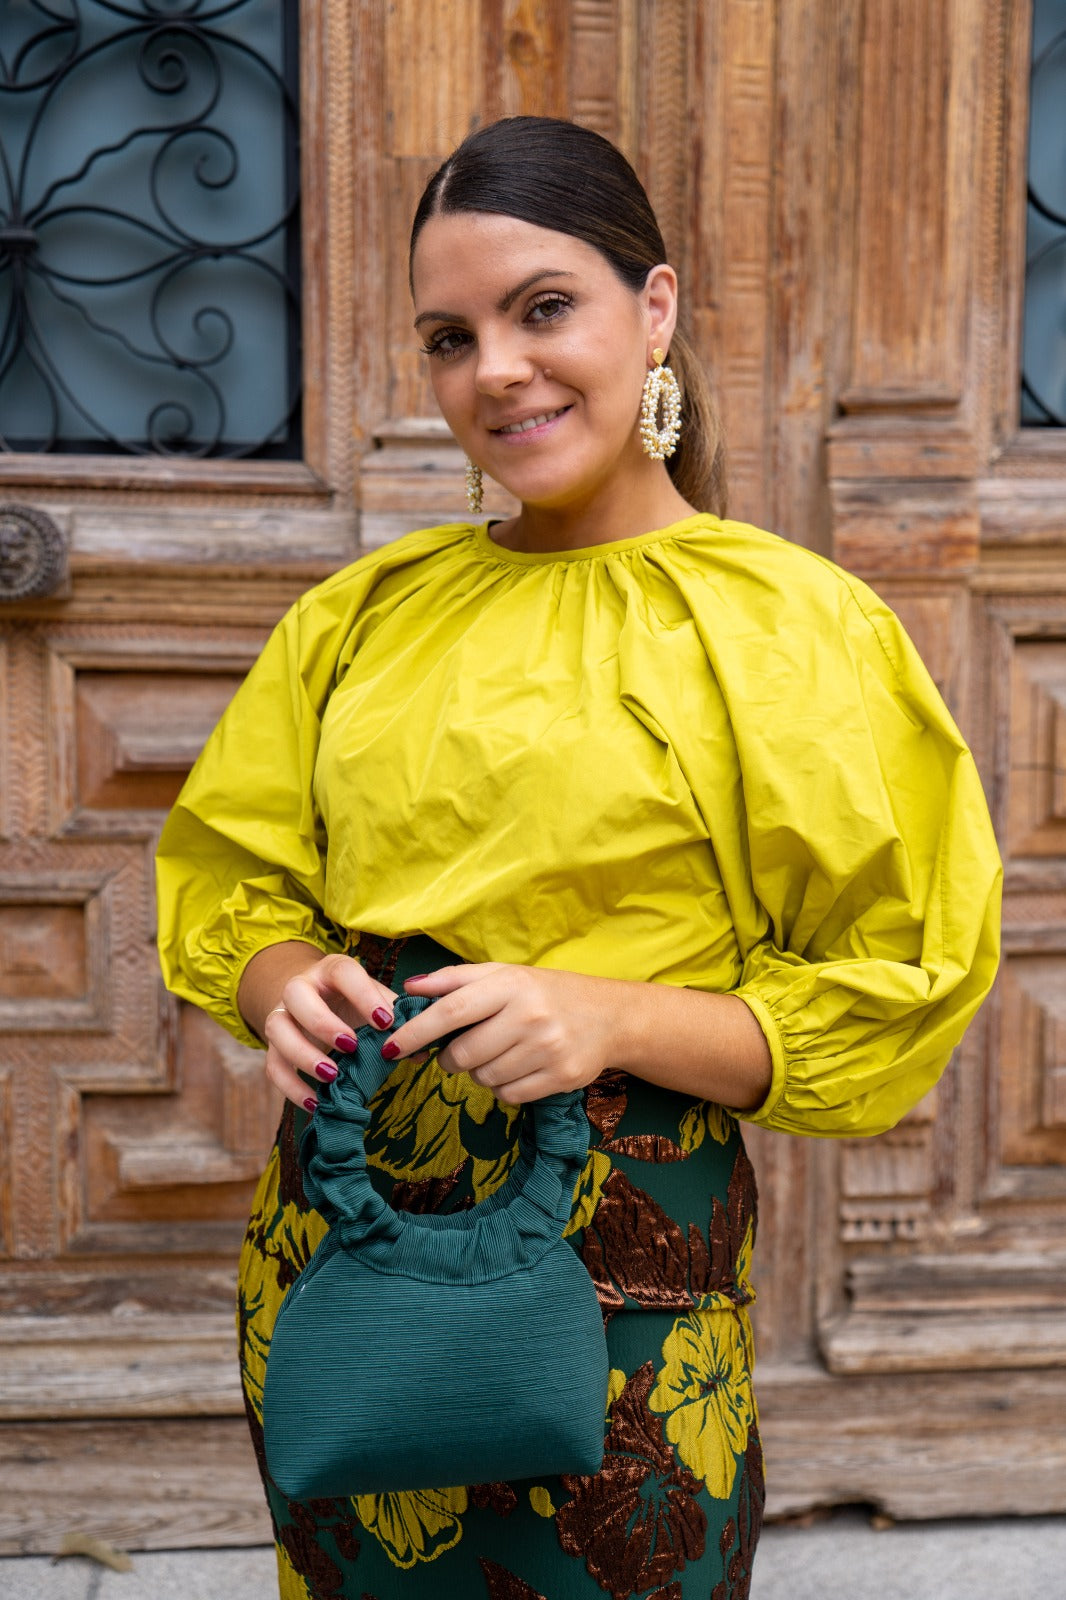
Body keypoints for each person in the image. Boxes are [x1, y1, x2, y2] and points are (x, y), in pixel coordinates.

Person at [155, 115, 1001, 1600]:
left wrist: (606, 1015)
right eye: (450, 337)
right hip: (347, 1243)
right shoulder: (361, 617)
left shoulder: (792, 628)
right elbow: (235, 876)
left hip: (625, 1273)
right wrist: (279, 978)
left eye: (542, 308)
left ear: (653, 308)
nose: (495, 369)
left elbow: (903, 981)